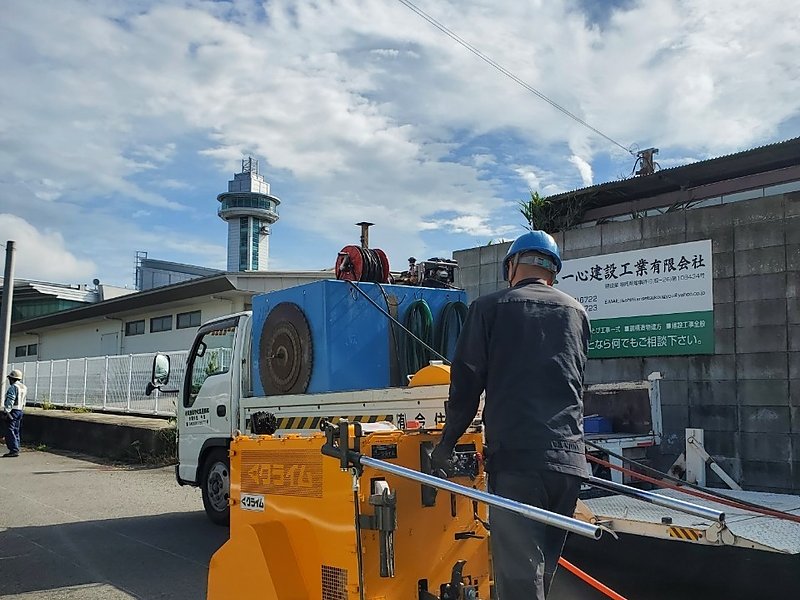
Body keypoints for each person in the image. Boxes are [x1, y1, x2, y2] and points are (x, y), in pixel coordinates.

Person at [431, 230, 590, 600]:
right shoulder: (577, 312)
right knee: (541, 570)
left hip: (518, 463)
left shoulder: (489, 308)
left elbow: (466, 385)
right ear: (553, 271)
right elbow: (573, 380)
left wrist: (446, 445)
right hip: (569, 463)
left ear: (512, 266)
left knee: (519, 577)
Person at [4, 369, 27, 458]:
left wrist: (7, 411)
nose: (9, 380)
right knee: (16, 430)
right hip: (20, 410)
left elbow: (10, 399)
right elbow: (24, 401)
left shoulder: (13, 387)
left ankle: (13, 450)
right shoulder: (24, 387)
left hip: (13, 411)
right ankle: (16, 448)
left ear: (12, 378)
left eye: (10, 378)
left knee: (10, 430)